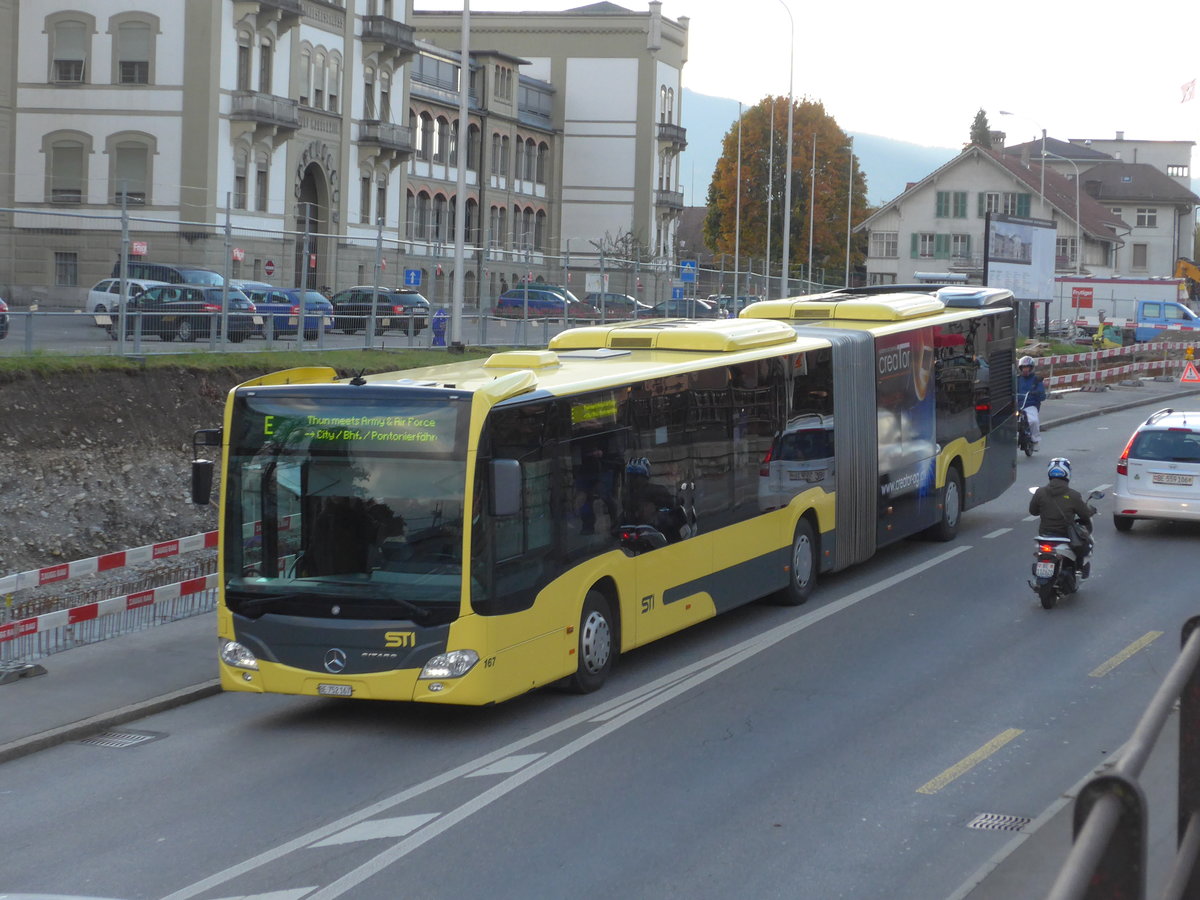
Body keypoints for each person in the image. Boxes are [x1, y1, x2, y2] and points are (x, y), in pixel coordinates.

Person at [1028, 457, 1095, 576]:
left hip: (1044, 535)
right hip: (1064, 535)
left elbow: (1033, 511)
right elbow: (1084, 514)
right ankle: (1079, 569)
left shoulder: (1040, 493)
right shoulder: (1073, 495)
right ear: (1067, 474)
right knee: (1085, 544)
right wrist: (1091, 511)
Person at [1016, 355, 1046, 451]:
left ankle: (1035, 440)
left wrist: (1038, 393)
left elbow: (1042, 395)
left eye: (1027, 367)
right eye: (1023, 367)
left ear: (1031, 368)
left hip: (1030, 405)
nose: (1025, 369)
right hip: (1017, 405)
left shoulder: (1036, 380)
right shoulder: (1017, 379)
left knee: (1033, 421)